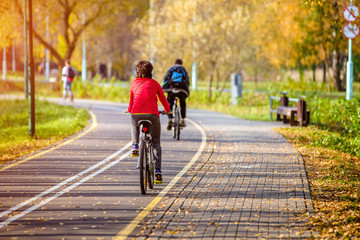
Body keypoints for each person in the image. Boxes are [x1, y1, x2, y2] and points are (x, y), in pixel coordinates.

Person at [127, 60, 170, 184]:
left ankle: (135, 146)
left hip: (136, 114)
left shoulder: (133, 83)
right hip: (152, 115)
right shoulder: (154, 83)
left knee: (133, 123)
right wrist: (167, 111)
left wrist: (130, 110)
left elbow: (131, 101)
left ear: (137, 71)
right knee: (156, 142)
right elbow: (163, 99)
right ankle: (157, 172)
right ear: (151, 72)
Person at [162, 59, 190, 130]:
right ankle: (183, 120)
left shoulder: (171, 69)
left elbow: (165, 79)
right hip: (182, 90)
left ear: (175, 63)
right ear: (181, 63)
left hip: (171, 89)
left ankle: (170, 119)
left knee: (169, 103)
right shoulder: (184, 70)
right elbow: (187, 81)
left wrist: (164, 87)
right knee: (183, 103)